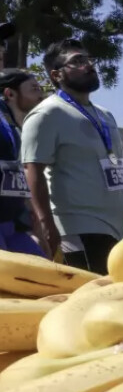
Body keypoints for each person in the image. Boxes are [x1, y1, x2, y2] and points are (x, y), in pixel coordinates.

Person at [20, 41, 123, 271]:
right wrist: (46, 224)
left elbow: (120, 164)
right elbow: (33, 171)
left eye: (89, 59)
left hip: (120, 226)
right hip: (78, 226)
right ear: (56, 74)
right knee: (97, 290)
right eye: (78, 61)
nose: (88, 65)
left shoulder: (105, 115)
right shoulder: (46, 113)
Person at [0, 69, 46, 255]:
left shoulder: (17, 130)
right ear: (10, 94)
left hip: (14, 226)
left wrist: (37, 229)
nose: (41, 96)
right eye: (34, 89)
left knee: (42, 268)